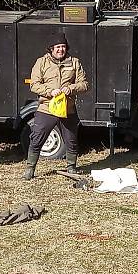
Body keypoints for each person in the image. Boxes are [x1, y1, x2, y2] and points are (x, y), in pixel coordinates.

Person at [22, 31, 89, 180]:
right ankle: (30, 168)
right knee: (37, 137)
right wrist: (50, 91)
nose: (61, 50)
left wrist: (70, 88)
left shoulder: (75, 62)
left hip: (67, 108)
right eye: (57, 47)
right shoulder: (42, 62)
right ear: (51, 48)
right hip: (46, 108)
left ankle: (71, 167)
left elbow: (84, 84)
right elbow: (34, 85)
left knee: (71, 139)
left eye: (63, 47)